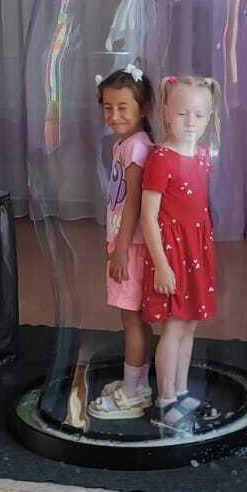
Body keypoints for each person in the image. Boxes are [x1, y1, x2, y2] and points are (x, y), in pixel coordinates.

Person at [138, 75, 226, 435]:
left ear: (209, 118)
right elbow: (148, 216)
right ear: (165, 113)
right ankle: (164, 400)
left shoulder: (202, 155)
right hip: (172, 253)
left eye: (199, 115)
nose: (191, 122)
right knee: (174, 326)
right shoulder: (161, 159)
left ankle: (181, 391)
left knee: (189, 324)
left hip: (196, 250)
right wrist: (161, 265)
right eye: (182, 113)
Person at [87, 64, 158, 420]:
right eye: (108, 107)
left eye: (123, 107)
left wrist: (120, 250)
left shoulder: (136, 148)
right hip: (127, 244)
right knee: (136, 318)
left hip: (131, 248)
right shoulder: (126, 144)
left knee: (131, 320)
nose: (114, 115)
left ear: (142, 109)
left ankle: (133, 394)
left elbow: (133, 204)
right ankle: (138, 383)